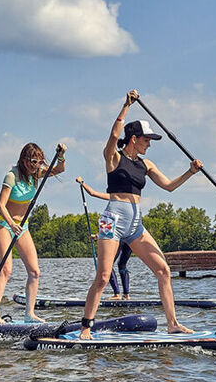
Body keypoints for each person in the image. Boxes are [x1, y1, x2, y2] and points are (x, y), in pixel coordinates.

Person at [79, 90, 202, 339]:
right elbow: (114, 136)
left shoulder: (146, 165)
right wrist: (126, 106)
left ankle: (173, 324)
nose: (149, 144)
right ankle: (86, 327)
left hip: (135, 224)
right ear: (134, 139)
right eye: (147, 140)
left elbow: (168, 186)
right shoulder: (113, 158)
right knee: (103, 278)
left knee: (163, 270)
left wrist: (190, 172)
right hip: (111, 220)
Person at [0, 142, 67, 324]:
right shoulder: (12, 176)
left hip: (23, 227)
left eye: (40, 162)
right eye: (34, 161)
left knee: (34, 271)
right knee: (6, 269)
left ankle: (29, 314)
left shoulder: (36, 175)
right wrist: (10, 223)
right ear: (25, 160)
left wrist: (62, 154)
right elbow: (0, 205)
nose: (37, 166)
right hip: (5, 225)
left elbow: (60, 169)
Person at [76, 177, 132, 300]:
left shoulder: (114, 198)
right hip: (129, 237)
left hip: (118, 238)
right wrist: (97, 236)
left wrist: (82, 183)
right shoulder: (131, 199)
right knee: (122, 265)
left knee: (109, 265)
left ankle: (117, 294)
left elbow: (93, 193)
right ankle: (126, 295)